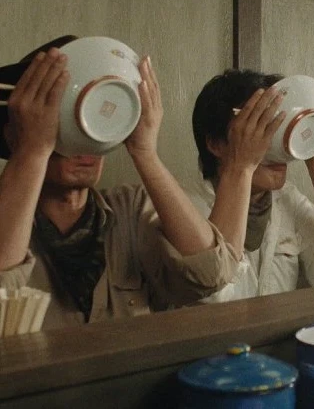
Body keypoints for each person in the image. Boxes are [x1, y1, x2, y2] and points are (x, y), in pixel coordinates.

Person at [0, 36, 240, 330]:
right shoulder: (10, 219)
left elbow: (211, 275)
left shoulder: (131, 209)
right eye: (66, 126)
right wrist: (32, 150)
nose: (85, 145)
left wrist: (145, 153)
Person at [187, 69, 314, 303]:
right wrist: (241, 168)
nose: (275, 145)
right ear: (216, 144)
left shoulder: (287, 200)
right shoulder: (185, 207)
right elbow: (214, 296)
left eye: (276, 127)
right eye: (259, 128)